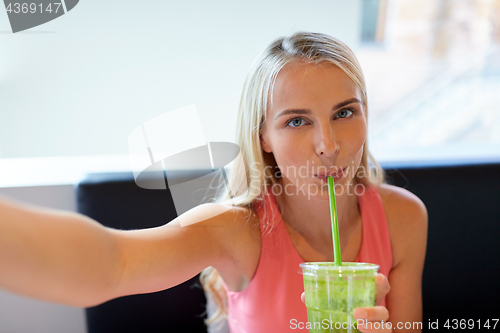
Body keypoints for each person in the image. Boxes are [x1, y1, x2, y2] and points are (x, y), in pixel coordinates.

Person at [0, 32, 427, 333]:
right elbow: (113, 263)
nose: (328, 144)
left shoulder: (403, 217)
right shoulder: (237, 230)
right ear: (264, 137)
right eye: (297, 121)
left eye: (345, 112)